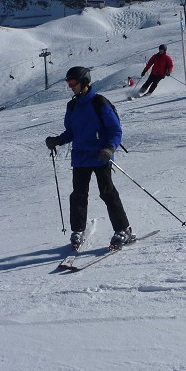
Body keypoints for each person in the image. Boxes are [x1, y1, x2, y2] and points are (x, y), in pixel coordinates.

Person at [45, 66, 135, 250]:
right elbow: (72, 132)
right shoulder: (72, 106)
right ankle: (78, 230)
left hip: (100, 156)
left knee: (107, 193)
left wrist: (109, 149)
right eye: (69, 83)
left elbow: (115, 130)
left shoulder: (99, 103)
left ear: (84, 82)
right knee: (78, 195)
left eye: (73, 83)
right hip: (80, 158)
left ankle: (123, 229)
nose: (71, 87)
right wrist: (58, 140)